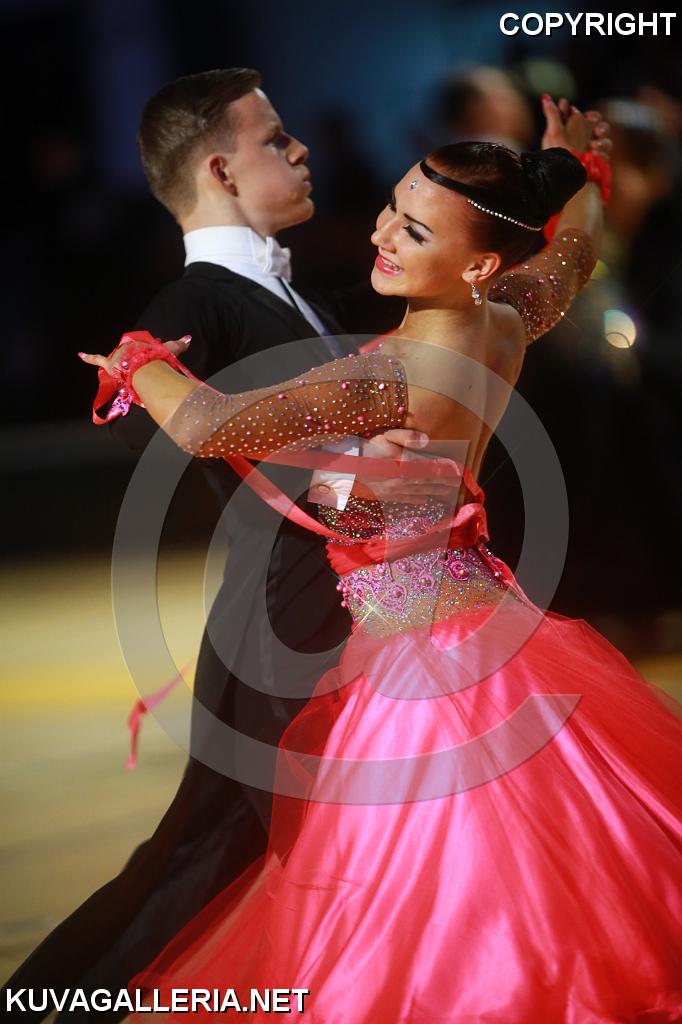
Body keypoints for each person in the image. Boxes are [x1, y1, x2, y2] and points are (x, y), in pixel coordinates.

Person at [78, 97, 682, 1021]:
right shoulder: (506, 319)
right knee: (539, 860)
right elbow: (572, 251)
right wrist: (582, 175)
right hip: (500, 631)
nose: (382, 235)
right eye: (393, 209)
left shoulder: (391, 373)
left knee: (425, 891)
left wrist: (138, 358)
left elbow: (207, 425)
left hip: (416, 669)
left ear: (478, 262)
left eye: (414, 230)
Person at [2, 68, 414, 1020]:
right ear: (221, 170)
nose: (300, 150)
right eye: (275, 138)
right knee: (238, 855)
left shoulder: (285, 293)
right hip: (281, 628)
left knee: (218, 855)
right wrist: (140, 368)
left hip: (316, 610)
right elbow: (139, 387)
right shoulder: (200, 299)